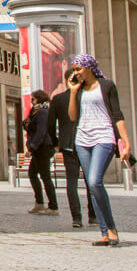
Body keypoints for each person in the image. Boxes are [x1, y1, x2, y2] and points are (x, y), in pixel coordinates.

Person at [67, 53, 132, 247]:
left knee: (95, 181)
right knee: (91, 185)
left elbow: (117, 115)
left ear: (89, 68)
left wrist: (126, 142)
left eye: (78, 69)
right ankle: (105, 233)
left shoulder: (107, 86)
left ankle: (111, 228)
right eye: (74, 70)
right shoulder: (77, 90)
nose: (76, 73)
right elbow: (72, 116)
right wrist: (72, 91)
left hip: (104, 137)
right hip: (82, 139)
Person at [49, 67, 96, 229]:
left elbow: (50, 124)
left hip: (68, 145)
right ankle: (93, 216)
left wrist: (56, 142)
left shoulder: (58, 99)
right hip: (87, 143)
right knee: (91, 181)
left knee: (72, 182)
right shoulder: (87, 97)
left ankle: (76, 218)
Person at [25, 90, 58, 216]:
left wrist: (32, 148)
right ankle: (39, 203)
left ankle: (53, 206)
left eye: (33, 99)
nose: (31, 102)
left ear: (38, 99)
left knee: (45, 176)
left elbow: (41, 132)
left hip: (43, 148)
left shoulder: (43, 112)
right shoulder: (37, 112)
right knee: (33, 173)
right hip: (39, 148)